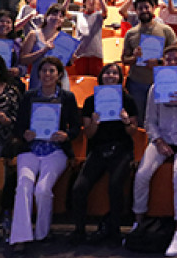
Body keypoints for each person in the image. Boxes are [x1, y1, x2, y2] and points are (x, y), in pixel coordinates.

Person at [132, 44, 177, 258]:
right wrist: (157, 140)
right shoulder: (156, 87)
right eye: (168, 60)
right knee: (142, 174)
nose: (172, 63)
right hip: (162, 136)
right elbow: (149, 121)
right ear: (163, 63)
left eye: (176, 59)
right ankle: (139, 224)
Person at [10, 56, 81, 251]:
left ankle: (42, 233)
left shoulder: (67, 98)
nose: (47, 74)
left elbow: (76, 127)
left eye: (52, 71)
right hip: (30, 150)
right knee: (24, 186)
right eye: (44, 71)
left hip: (55, 151)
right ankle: (20, 238)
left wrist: (66, 135)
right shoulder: (29, 96)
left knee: (42, 189)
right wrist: (25, 133)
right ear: (38, 74)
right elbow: (18, 128)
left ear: (59, 74)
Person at [69, 62, 138, 245]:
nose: (111, 76)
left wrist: (125, 122)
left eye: (115, 73)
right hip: (98, 150)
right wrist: (94, 122)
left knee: (115, 185)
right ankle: (79, 230)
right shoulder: (91, 101)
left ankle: (114, 231)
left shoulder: (127, 100)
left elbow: (133, 131)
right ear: (101, 76)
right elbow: (88, 134)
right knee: (79, 187)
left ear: (120, 78)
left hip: (121, 150)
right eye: (107, 73)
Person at [121, 0, 177, 126]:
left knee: (161, 119)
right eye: (140, 8)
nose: (144, 10)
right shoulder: (131, 33)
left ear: (153, 9)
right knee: (140, 119)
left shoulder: (166, 30)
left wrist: (159, 62)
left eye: (147, 7)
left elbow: (176, 57)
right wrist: (134, 58)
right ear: (136, 11)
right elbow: (124, 59)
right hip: (137, 83)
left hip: (160, 82)